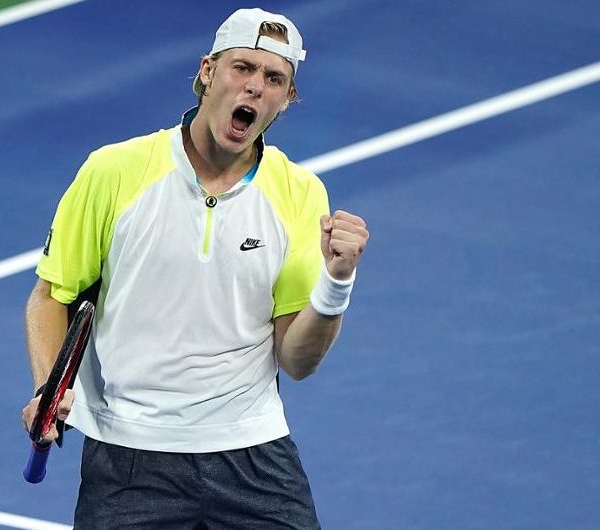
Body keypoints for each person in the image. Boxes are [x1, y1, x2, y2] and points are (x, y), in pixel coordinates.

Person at [21, 7, 368, 529]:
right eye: (241, 68)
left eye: (274, 78)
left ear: (286, 99)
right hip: (129, 460)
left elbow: (296, 360)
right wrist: (47, 391)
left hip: (254, 456)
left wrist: (337, 283)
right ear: (207, 71)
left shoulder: (300, 193)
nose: (254, 87)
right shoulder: (115, 171)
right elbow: (53, 295)